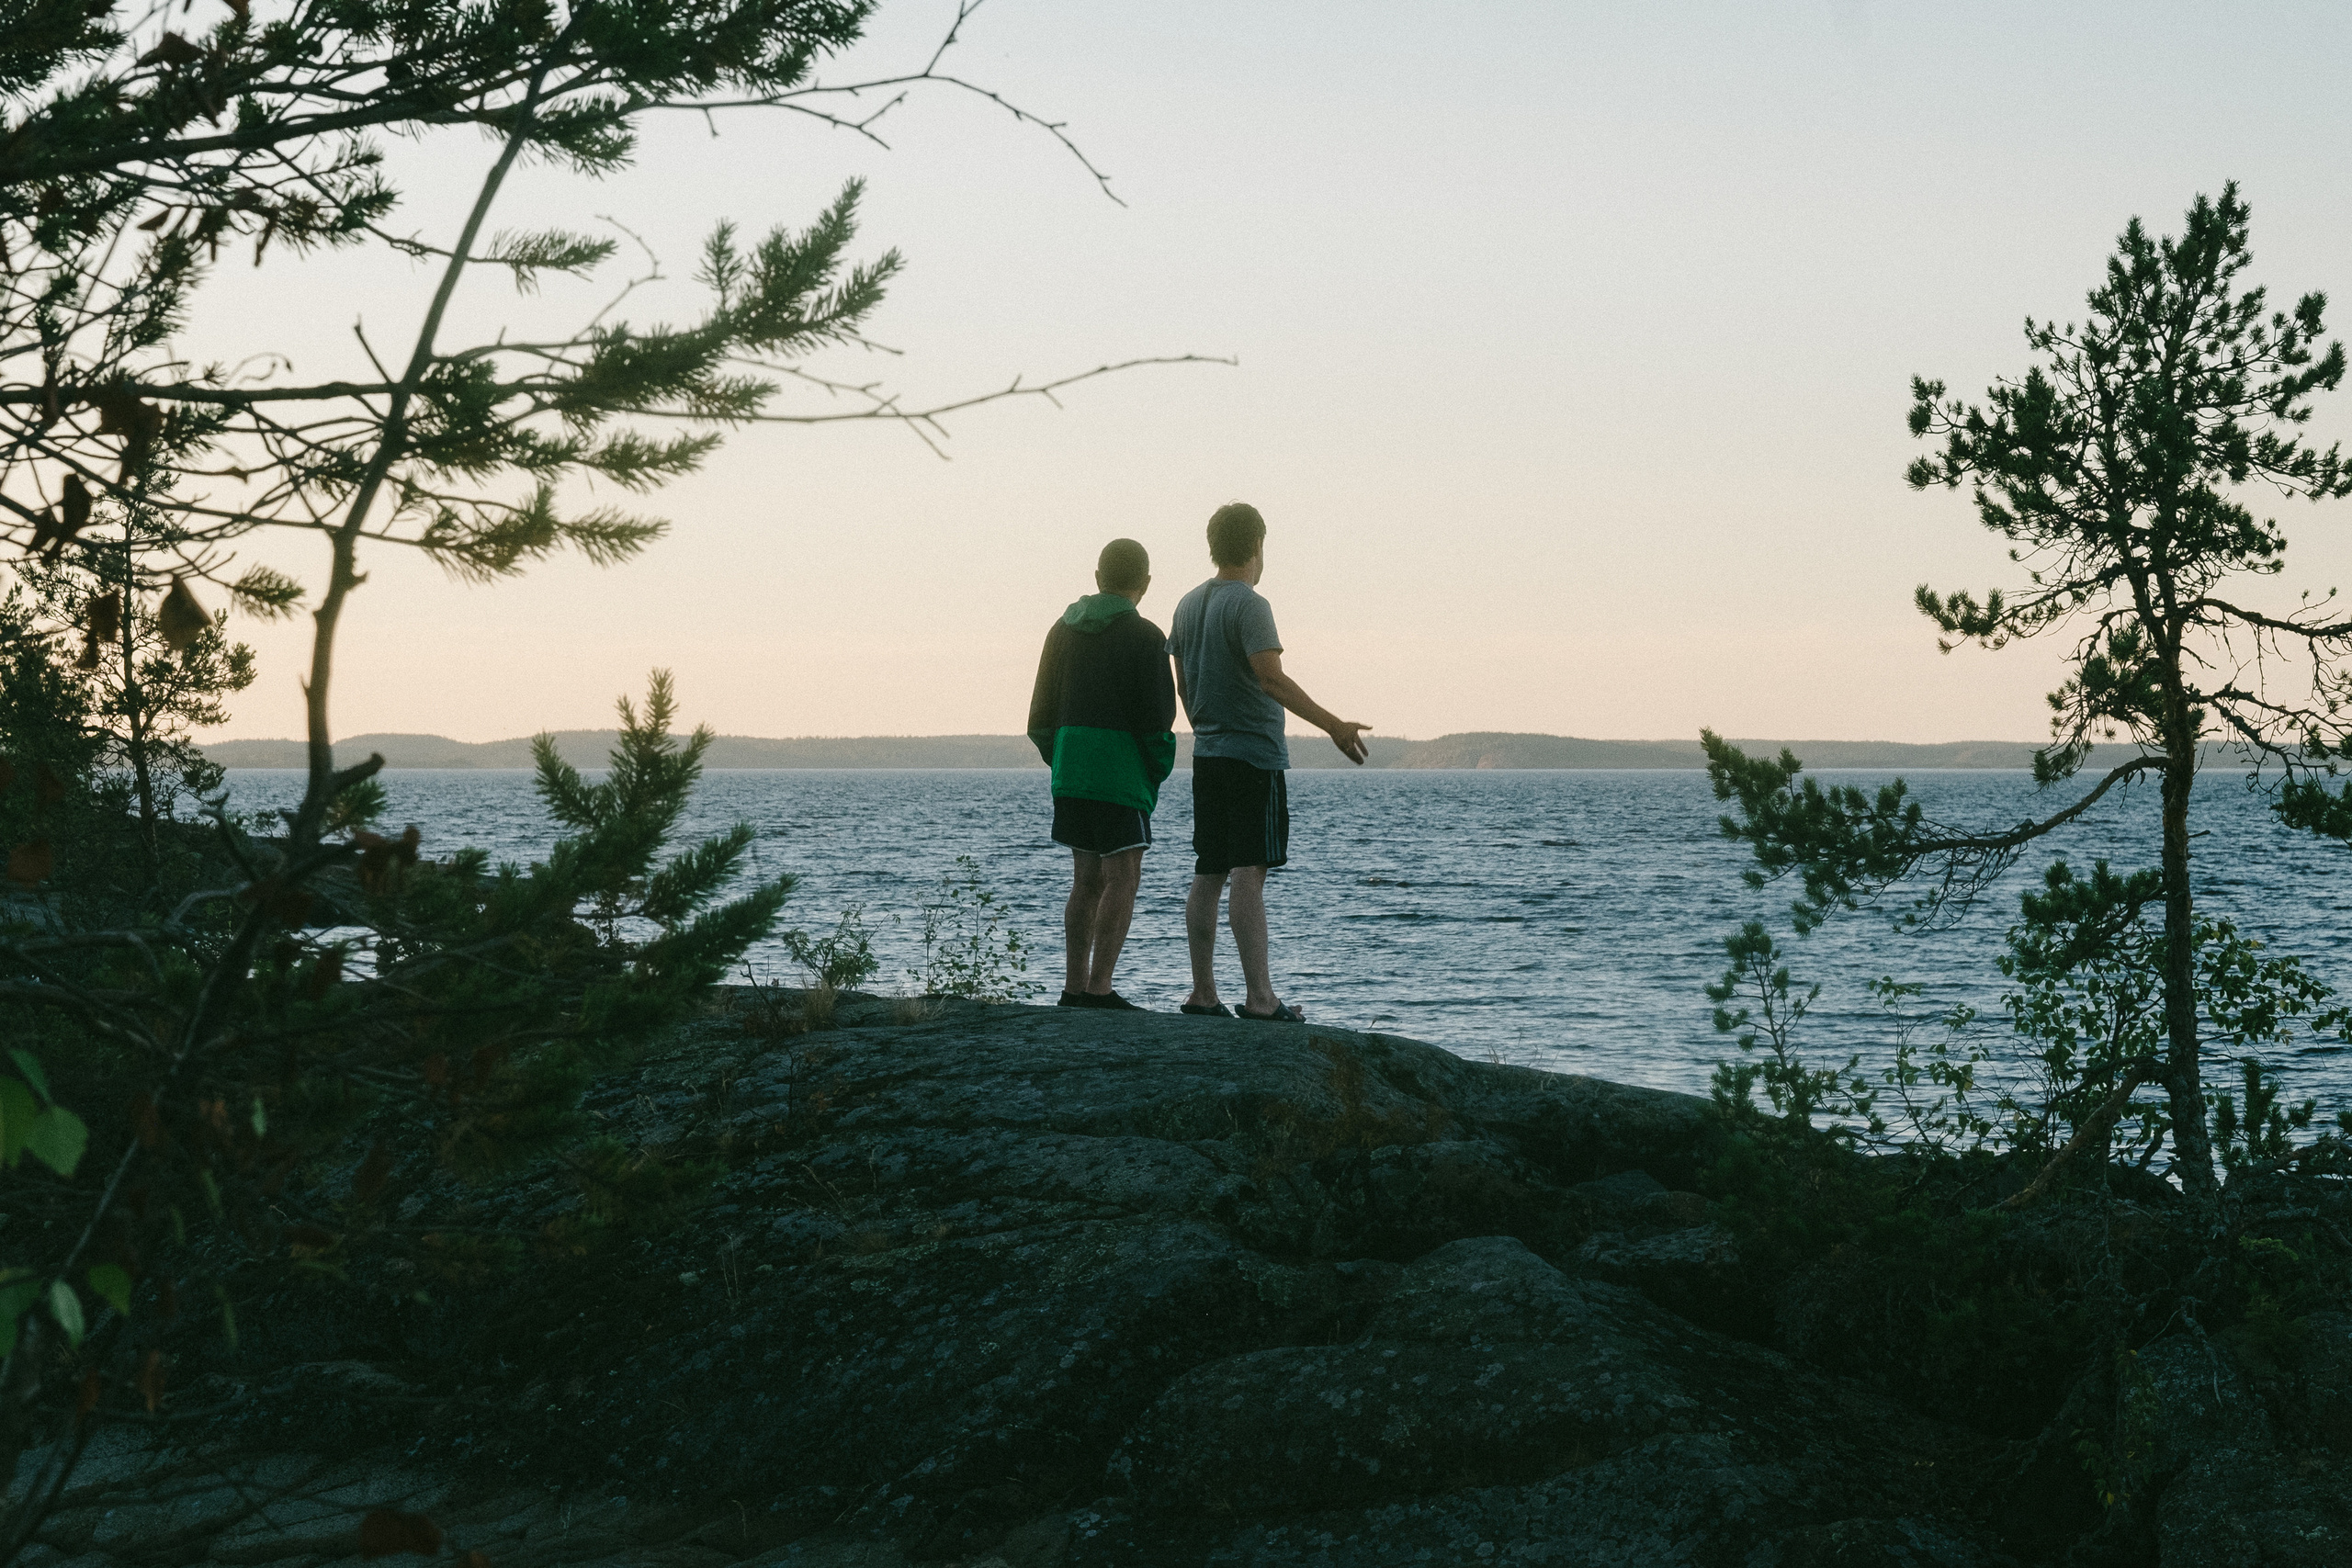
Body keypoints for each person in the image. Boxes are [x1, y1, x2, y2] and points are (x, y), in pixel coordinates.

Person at [1169, 502, 1371, 1021]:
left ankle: (1203, 993)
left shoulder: (1187, 605)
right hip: (1253, 758)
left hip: (1208, 756)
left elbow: (1183, 686)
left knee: (1209, 870)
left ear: (1213, 545)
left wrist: (1207, 727)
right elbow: (1270, 677)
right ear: (1258, 545)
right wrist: (1334, 725)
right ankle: (1260, 999)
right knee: (1248, 871)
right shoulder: (1251, 604)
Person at [1026, 537, 1177, 1010]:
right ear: (1146, 584)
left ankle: (1073, 988)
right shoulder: (1147, 637)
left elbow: (1039, 716)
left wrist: (1061, 757)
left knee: (1085, 879)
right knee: (1123, 876)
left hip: (1072, 767)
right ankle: (1100, 987)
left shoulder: (1060, 631)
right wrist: (1157, 768)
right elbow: (1159, 721)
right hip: (1120, 772)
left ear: (1097, 578)